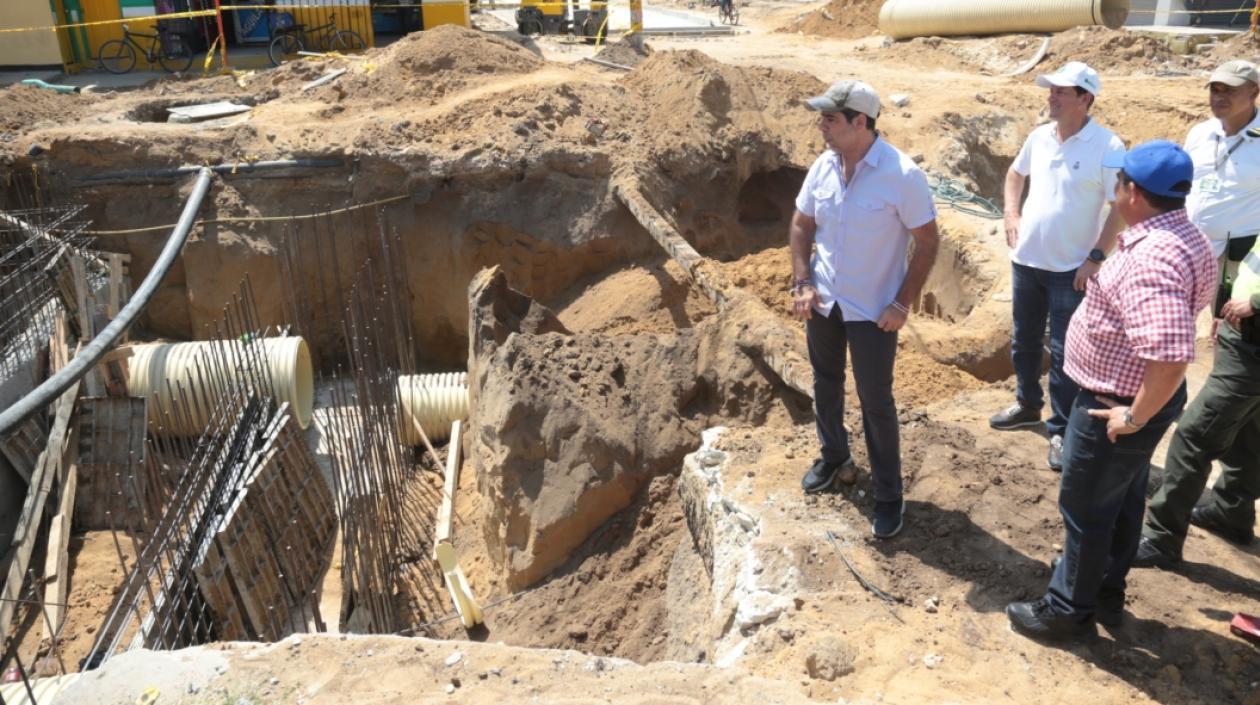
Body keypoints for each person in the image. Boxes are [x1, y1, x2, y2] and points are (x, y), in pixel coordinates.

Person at [1005, 141, 1216, 641]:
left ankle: (1067, 611)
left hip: (1113, 408)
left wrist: (1134, 417)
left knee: (1084, 508)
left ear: (1133, 193)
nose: (1114, 190)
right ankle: (1104, 592)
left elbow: (1169, 355)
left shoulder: (1153, 259)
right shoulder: (1185, 234)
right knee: (1120, 502)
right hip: (1128, 400)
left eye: (1119, 182)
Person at [789, 79, 939, 539]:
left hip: (875, 312)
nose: (821, 127)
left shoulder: (902, 175)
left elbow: (929, 241)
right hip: (826, 303)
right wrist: (802, 281)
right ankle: (835, 456)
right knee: (826, 383)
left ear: (861, 121)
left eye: (830, 119)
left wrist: (902, 302)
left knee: (876, 403)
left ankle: (890, 496)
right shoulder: (823, 166)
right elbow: (801, 224)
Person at [1132, 61, 1260, 568]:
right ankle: (1231, 511)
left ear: (1255, 93)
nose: (1219, 96)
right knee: (1251, 428)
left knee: (1193, 436)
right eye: (1214, 87)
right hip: (1215, 274)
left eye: (1230, 89)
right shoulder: (1199, 135)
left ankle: (1162, 538)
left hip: (1252, 325)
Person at [988, 61, 1127, 473]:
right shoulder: (1040, 137)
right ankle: (1027, 404)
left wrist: (1096, 257)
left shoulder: (1107, 145)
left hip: (1072, 270)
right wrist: (1011, 213)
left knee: (1067, 353)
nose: (1051, 97)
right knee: (1024, 340)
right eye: (1051, 90)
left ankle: (1062, 428)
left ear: (1085, 98)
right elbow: (1015, 174)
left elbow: (1120, 205)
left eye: (1061, 92)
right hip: (1027, 260)